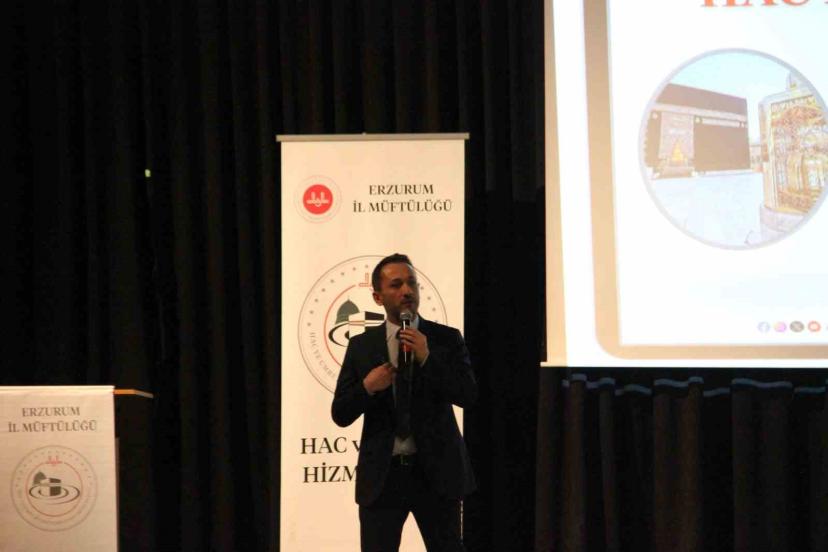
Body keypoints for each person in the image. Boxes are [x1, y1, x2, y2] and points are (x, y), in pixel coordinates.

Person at [332, 253, 477, 552]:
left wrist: (427, 357)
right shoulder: (361, 346)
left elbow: (467, 395)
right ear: (377, 296)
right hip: (382, 477)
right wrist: (367, 388)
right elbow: (341, 413)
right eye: (396, 285)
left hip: (436, 473)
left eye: (412, 283)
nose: (407, 291)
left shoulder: (446, 338)